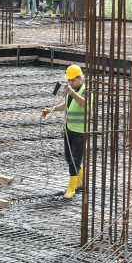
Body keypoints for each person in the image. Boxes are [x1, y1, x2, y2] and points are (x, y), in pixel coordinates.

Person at [42, 64, 89, 198]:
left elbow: (84, 103)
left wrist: (71, 92)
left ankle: (71, 189)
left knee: (75, 159)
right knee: (69, 158)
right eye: (68, 80)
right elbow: (67, 105)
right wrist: (52, 109)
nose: (70, 82)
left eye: (72, 80)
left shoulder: (86, 90)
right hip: (69, 129)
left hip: (81, 131)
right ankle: (80, 181)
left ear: (80, 78)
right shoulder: (71, 90)